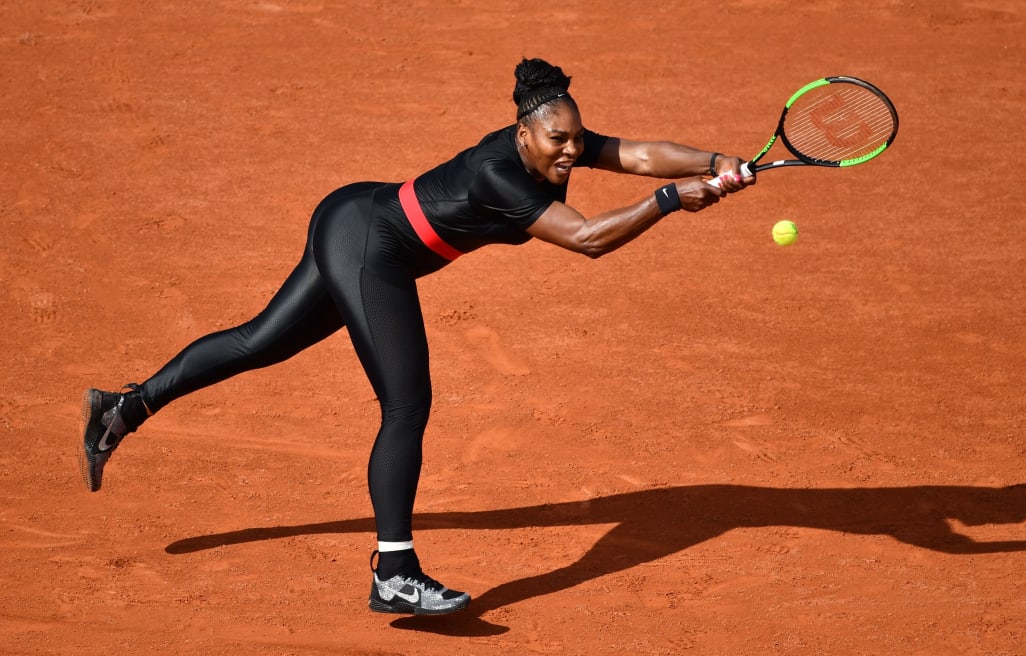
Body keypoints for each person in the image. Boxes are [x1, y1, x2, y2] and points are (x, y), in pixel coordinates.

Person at [79, 58, 753, 616]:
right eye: (558, 141)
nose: (572, 151)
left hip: (355, 216)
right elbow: (586, 239)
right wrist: (670, 200)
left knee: (262, 342)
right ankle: (394, 571)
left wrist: (719, 161)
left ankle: (124, 407)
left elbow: (634, 153)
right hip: (373, 247)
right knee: (407, 404)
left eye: (576, 138)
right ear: (524, 134)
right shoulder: (502, 174)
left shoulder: (554, 143)